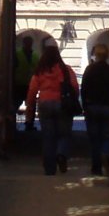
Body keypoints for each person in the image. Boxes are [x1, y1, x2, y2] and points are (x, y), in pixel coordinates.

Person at [25, 40, 76, 175]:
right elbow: (75, 86)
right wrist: (72, 100)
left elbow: (32, 91)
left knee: (48, 136)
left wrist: (30, 108)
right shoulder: (66, 69)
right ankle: (61, 153)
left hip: (45, 104)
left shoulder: (40, 72)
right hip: (62, 104)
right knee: (64, 134)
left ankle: (49, 168)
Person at [80, 37, 109, 179]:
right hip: (108, 107)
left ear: (96, 55)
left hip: (92, 106)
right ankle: (106, 153)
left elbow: (84, 89)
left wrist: (85, 106)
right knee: (108, 135)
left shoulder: (90, 70)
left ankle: (96, 167)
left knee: (94, 138)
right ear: (107, 55)